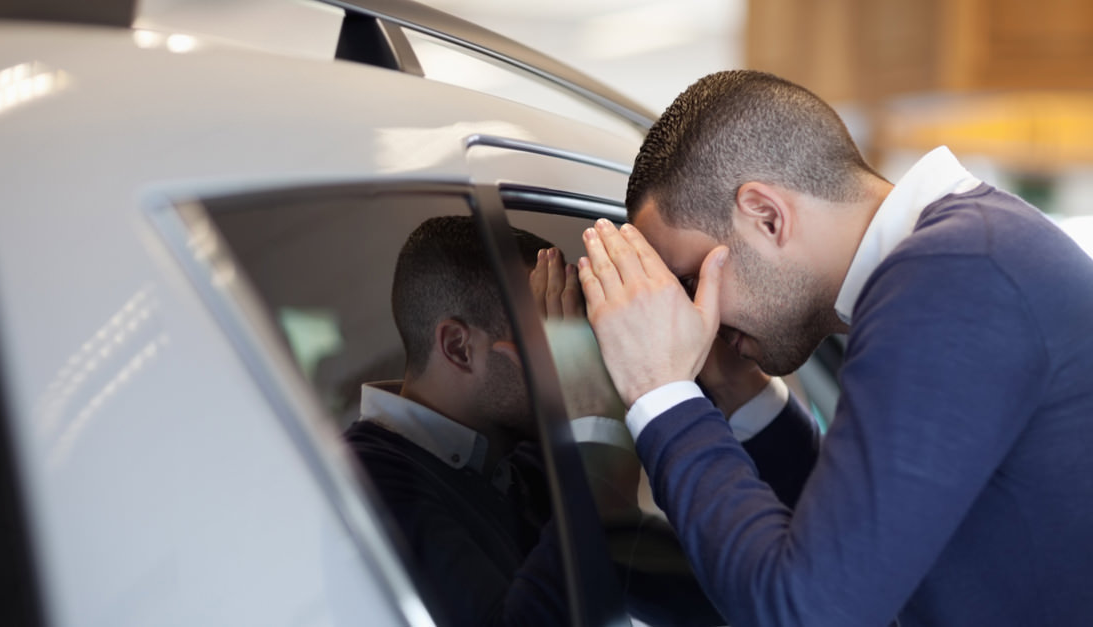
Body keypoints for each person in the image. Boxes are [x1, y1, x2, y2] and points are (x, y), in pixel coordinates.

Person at [577, 69, 1093, 627]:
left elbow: (807, 610)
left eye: (688, 278)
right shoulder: (969, 254)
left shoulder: (951, 281)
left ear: (767, 217)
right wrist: (731, 384)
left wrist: (661, 389)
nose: (693, 311)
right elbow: (868, 543)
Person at [343, 215, 819, 626]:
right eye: (554, 331)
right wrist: (595, 424)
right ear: (459, 348)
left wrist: (734, 382)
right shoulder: (365, 484)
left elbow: (725, 591)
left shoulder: (525, 467)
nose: (583, 352)